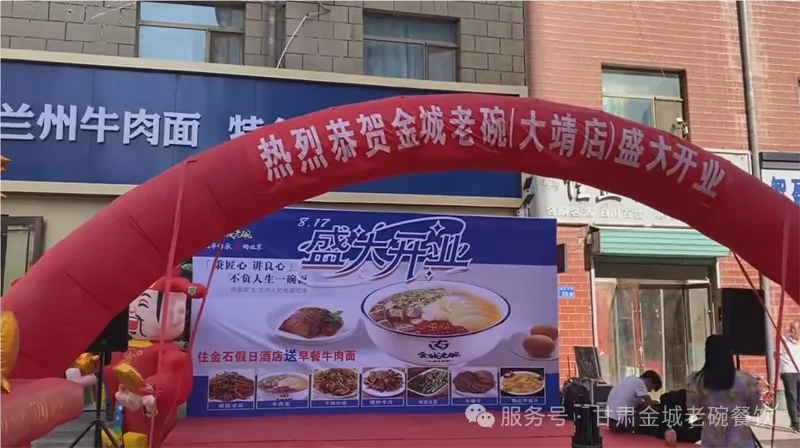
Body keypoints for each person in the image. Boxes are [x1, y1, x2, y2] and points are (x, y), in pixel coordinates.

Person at [687, 335, 763, 448]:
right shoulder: (746, 381)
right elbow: (756, 411)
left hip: (711, 441)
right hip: (740, 441)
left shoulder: (696, 381)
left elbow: (694, 410)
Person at [779, 319, 800, 432]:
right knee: (792, 395)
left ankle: (798, 416)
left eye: (794, 329)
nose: (792, 331)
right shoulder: (783, 340)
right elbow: (776, 354)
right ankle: (795, 422)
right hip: (789, 371)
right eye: (791, 328)